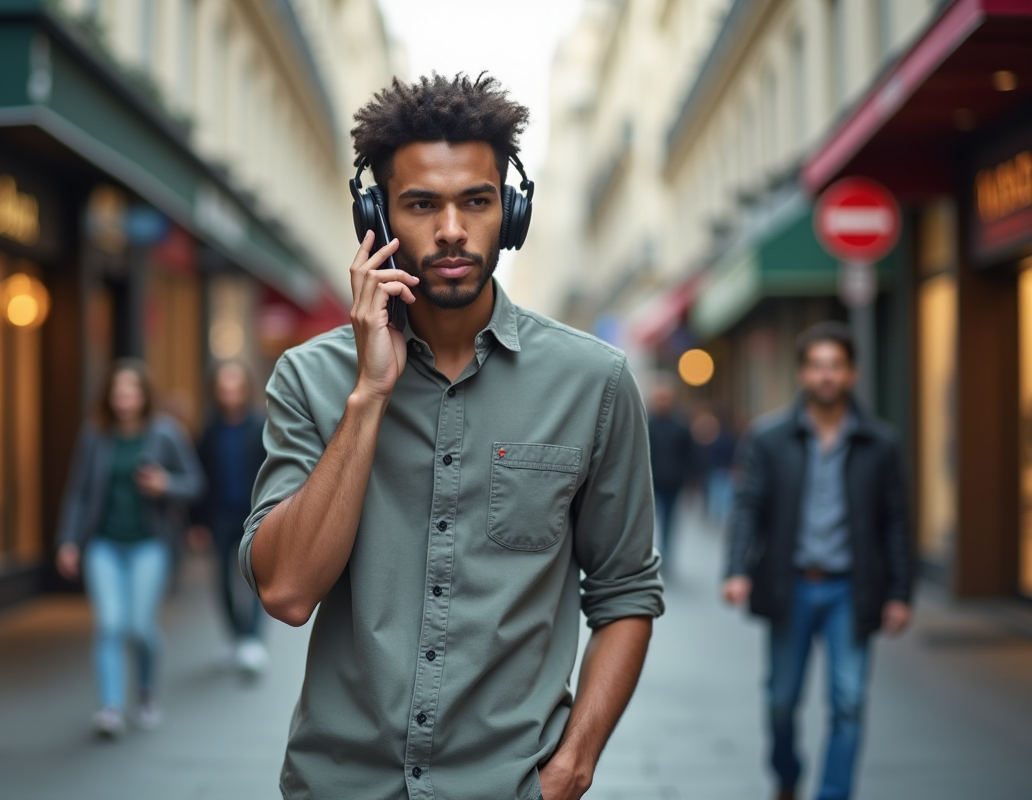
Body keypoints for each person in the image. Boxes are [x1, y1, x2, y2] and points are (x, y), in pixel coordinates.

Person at [239, 74, 663, 800]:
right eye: (421, 204)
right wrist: (369, 395)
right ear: (375, 218)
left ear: (512, 212)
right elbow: (285, 590)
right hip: (341, 783)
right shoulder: (311, 379)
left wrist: (574, 766)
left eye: (477, 200)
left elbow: (625, 591)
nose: (453, 231)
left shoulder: (593, 382)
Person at [721, 322, 914, 800]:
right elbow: (749, 508)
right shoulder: (770, 438)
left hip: (853, 588)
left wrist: (900, 594)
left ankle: (833, 793)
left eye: (836, 366)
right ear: (802, 373)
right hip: (790, 586)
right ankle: (787, 774)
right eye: (817, 366)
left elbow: (897, 522)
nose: (826, 376)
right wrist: (736, 570)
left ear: (852, 373)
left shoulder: (880, 443)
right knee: (782, 702)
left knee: (848, 702)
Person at [55, 358, 205, 738]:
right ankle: (110, 708)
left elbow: (195, 483)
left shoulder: (165, 433)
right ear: (108, 395)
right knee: (110, 625)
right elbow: (77, 492)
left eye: (131, 391)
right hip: (103, 545)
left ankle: (146, 690)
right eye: (118, 391)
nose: (124, 398)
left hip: (149, 545)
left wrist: (164, 484)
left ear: (143, 394)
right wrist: (69, 541)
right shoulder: (95, 435)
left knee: (139, 626)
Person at [193, 360, 269, 674]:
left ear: (245, 388)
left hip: (253, 515)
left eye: (235, 386)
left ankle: (252, 639)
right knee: (221, 581)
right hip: (219, 516)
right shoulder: (208, 431)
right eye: (224, 387)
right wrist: (196, 523)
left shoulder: (261, 427)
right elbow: (199, 478)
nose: (230, 392)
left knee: (256, 578)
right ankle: (236, 636)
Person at [647, 380, 693, 566]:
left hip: (673, 482)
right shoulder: (646, 423)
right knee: (646, 521)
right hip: (649, 481)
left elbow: (689, 454)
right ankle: (647, 553)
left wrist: (688, 478)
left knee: (670, 521)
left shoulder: (681, 425)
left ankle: (666, 553)